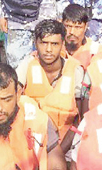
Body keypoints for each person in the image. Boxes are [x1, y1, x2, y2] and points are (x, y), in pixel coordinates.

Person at [16, 20, 85, 152]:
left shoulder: (75, 70)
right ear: (35, 43)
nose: (48, 50)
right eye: (43, 43)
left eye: (54, 44)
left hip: (68, 144)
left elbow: (80, 118)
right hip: (33, 144)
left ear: (63, 44)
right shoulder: (28, 64)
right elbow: (12, 97)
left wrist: (59, 151)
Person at [61, 3, 102, 69]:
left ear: (86, 26)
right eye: (68, 26)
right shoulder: (55, 47)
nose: (72, 32)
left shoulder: (95, 51)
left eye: (78, 27)